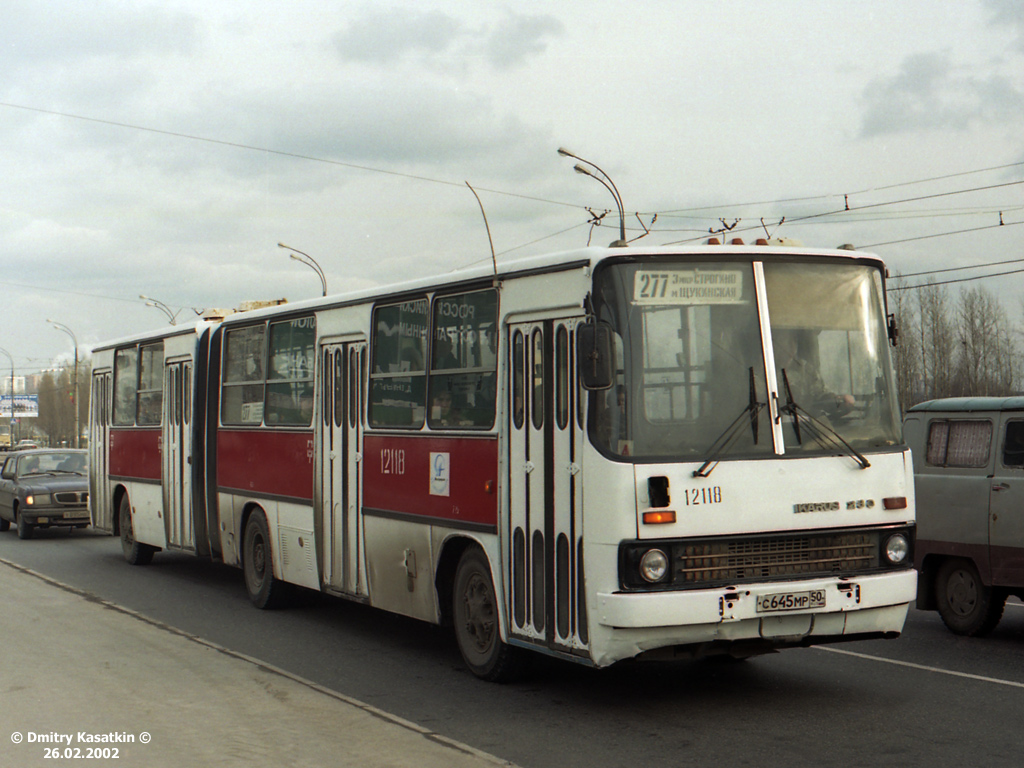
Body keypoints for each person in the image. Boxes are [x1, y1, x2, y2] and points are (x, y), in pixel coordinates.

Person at [773, 329, 854, 420]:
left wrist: (837, 402)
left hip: (801, 428)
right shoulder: (762, 369)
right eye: (782, 342)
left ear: (795, 345)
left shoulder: (806, 370)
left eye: (790, 342)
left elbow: (820, 395)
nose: (787, 347)